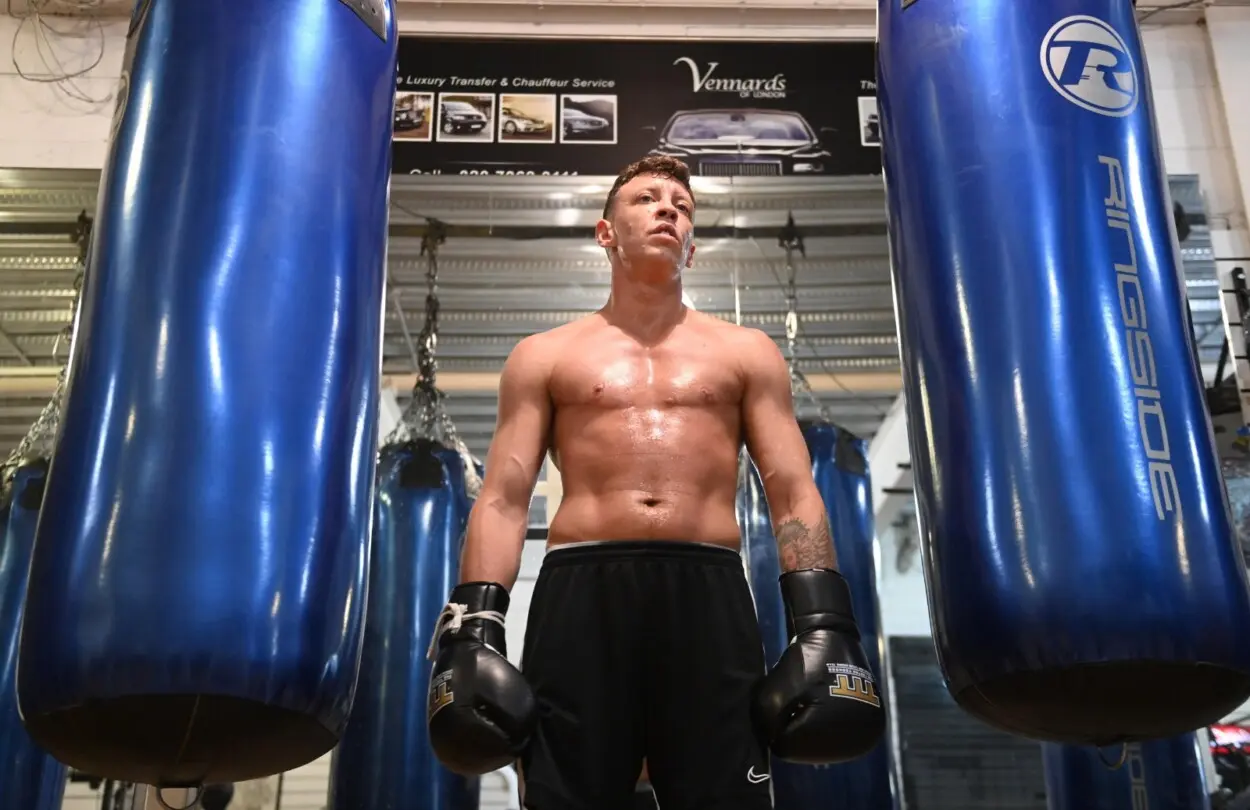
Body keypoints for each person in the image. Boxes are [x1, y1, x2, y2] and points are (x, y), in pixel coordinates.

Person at [426, 156, 885, 809]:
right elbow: (502, 498)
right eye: (646, 199)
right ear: (605, 232)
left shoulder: (746, 352)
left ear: (691, 247)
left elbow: (792, 490)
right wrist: (474, 626)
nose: (669, 208)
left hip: (708, 591)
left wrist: (823, 620)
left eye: (682, 205)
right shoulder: (544, 355)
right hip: (582, 591)